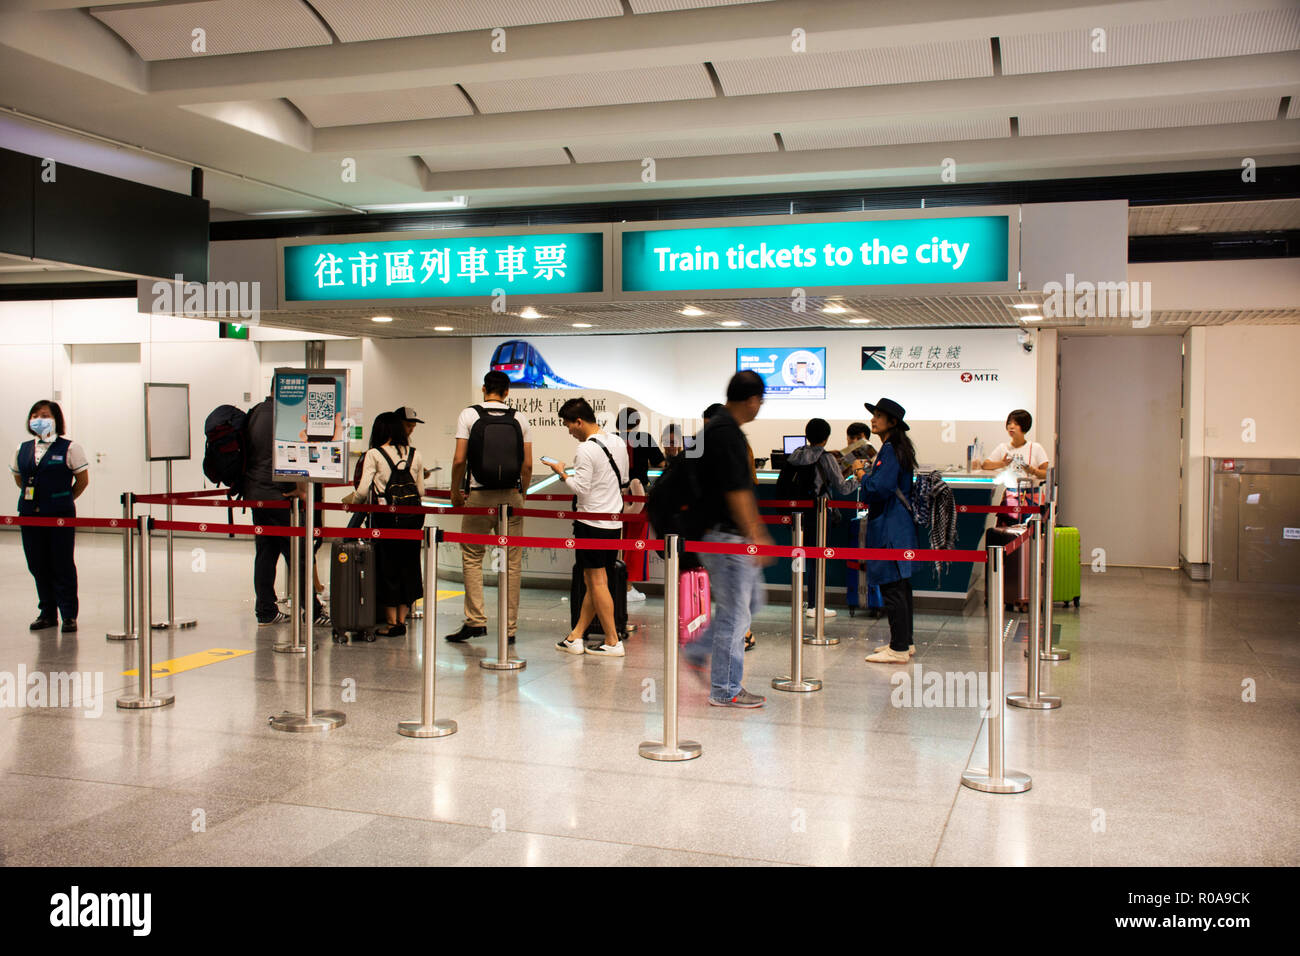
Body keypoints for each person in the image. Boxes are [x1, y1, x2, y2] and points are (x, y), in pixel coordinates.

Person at [681, 372, 773, 706]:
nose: (760, 406)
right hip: (726, 538)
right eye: (760, 400)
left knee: (750, 604)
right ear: (751, 400)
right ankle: (726, 689)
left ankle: (698, 650)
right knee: (736, 614)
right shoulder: (727, 435)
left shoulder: (717, 429)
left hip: (722, 536)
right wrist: (757, 534)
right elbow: (737, 492)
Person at [448, 372, 531, 644]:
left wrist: (455, 491)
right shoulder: (519, 418)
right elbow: (527, 465)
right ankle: (509, 629)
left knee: (472, 556)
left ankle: (475, 620)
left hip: (479, 496)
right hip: (511, 497)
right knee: (512, 561)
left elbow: (459, 459)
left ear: (484, 389)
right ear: (507, 392)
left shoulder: (469, 415)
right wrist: (523, 492)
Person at [546, 397, 630, 658]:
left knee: (596, 581)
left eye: (568, 425)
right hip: (613, 521)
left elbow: (581, 490)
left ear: (579, 421)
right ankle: (576, 636)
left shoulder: (585, 449)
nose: (568, 430)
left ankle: (612, 640)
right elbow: (624, 480)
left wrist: (562, 472)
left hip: (590, 522)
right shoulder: (617, 442)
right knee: (595, 581)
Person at [243, 395, 326, 627]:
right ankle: (312, 610)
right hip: (278, 495)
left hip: (256, 492)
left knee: (266, 553)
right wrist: (295, 489)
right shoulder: (283, 415)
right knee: (297, 553)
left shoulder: (257, 412)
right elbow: (289, 455)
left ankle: (266, 610)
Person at [11, 400, 88, 632]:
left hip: (59, 515)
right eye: (34, 415)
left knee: (61, 563)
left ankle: (68, 614)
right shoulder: (22, 448)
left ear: (56, 419)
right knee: (37, 563)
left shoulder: (70, 447)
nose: (38, 419)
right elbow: (19, 479)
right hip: (29, 515)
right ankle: (47, 612)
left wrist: (62, 500)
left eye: (44, 415)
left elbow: (82, 481)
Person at [852, 398, 919, 664]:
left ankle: (899, 648)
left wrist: (861, 474)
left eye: (878, 416)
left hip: (891, 525)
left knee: (894, 586)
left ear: (892, 422)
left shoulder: (891, 450)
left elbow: (878, 489)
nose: (873, 420)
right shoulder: (896, 448)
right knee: (901, 585)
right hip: (898, 524)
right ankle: (904, 641)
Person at [783, 417, 860, 620]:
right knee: (818, 558)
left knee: (799, 555)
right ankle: (815, 605)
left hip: (797, 515)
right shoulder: (826, 458)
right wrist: (858, 478)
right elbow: (842, 488)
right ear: (826, 438)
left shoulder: (796, 454)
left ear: (807, 435)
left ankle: (799, 602)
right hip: (819, 514)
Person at [357, 411, 425, 636]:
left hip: (386, 518)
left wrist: (352, 502)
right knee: (409, 566)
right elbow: (421, 490)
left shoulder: (374, 454)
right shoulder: (415, 454)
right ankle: (402, 621)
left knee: (388, 567)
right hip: (412, 519)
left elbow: (362, 490)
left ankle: (391, 622)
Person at [614, 407, 664, 603]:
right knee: (635, 542)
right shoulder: (645, 438)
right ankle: (626, 587)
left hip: (615, 496)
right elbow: (661, 464)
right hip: (638, 495)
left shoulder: (611, 439)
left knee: (615, 541)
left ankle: (614, 583)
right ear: (636, 422)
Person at [977, 409, 1050, 524]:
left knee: (1032, 532)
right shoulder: (1003, 447)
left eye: (1016, 424)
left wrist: (1033, 471)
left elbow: (1047, 474)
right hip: (1012, 495)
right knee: (1008, 530)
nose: (1011, 427)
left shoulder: (1036, 448)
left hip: (1032, 495)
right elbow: (985, 465)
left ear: (1024, 427)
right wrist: (1002, 463)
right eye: (1009, 423)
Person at [394, 406, 437, 480]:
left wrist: (417, 472)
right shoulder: (382, 449)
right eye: (408, 425)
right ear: (397, 424)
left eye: (413, 427)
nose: (411, 430)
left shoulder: (410, 451)